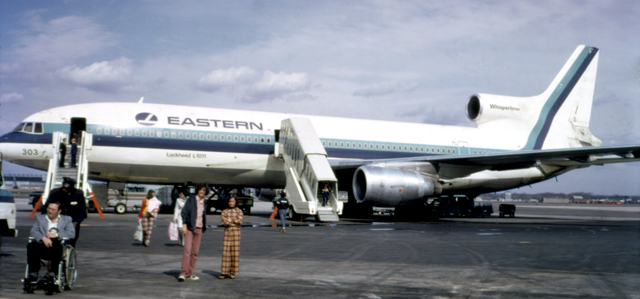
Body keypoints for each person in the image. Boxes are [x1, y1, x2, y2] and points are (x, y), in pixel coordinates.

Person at [26, 202, 75, 281]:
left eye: (53, 209)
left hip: (57, 244)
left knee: (57, 247)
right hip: (42, 243)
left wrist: (56, 234)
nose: (50, 211)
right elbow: (33, 231)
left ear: (59, 211)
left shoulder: (67, 219)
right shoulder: (40, 218)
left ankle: (53, 272)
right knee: (31, 246)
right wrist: (43, 238)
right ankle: (33, 272)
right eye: (49, 208)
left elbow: (71, 233)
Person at [178, 184, 208, 282]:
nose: (202, 192)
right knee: (187, 251)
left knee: (194, 252)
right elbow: (184, 212)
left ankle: (190, 273)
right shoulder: (191, 199)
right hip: (190, 228)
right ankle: (183, 273)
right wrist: (184, 224)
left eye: (204, 190)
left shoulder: (204, 202)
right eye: (200, 190)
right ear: (197, 190)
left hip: (199, 229)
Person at [45, 177, 86, 247]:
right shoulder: (55, 193)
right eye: (64, 187)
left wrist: (76, 222)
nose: (65, 190)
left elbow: (82, 211)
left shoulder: (78, 194)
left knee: (70, 242)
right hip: (57, 222)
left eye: (67, 188)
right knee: (54, 241)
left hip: (72, 223)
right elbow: (46, 208)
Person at [219, 196, 243, 279]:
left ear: (236, 202)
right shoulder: (225, 211)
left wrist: (230, 221)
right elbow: (224, 222)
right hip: (227, 233)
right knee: (226, 252)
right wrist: (233, 221)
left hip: (236, 234)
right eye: (230, 201)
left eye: (233, 201)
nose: (231, 203)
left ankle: (232, 272)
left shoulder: (239, 211)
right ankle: (224, 272)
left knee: (235, 253)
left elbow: (239, 221)